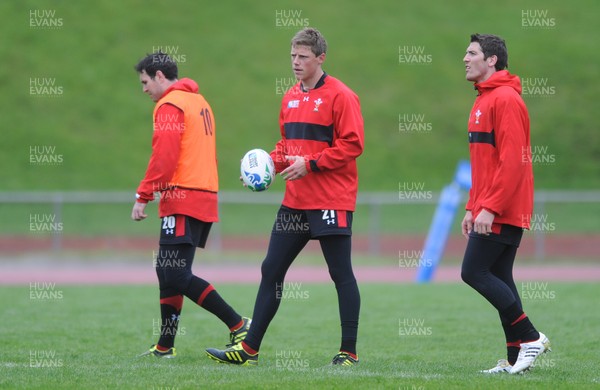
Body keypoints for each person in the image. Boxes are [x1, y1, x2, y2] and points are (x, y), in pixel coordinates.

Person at [205, 27, 364, 366]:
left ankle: (348, 351)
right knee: (271, 268)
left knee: (341, 274)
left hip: (331, 200)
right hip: (295, 202)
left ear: (320, 58)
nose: (296, 62)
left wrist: (312, 164)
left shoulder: (341, 96)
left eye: (303, 56)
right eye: (293, 55)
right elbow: (286, 145)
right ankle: (248, 350)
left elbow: (352, 145)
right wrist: (265, 167)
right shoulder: (290, 96)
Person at [131, 52, 250, 358]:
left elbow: (164, 157)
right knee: (167, 271)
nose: (144, 89)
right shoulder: (199, 101)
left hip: (184, 195)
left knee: (177, 274)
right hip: (202, 194)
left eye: (145, 81)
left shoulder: (170, 104)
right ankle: (164, 347)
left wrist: (143, 195)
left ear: (159, 76)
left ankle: (238, 323)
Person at [460, 33, 550, 374]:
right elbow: (483, 163)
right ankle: (515, 358)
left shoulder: (506, 99)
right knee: (498, 274)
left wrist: (491, 206)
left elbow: (513, 161)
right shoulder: (484, 99)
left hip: (504, 206)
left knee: (473, 271)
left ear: (492, 60)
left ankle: (530, 337)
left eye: (472, 53)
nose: (465, 59)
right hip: (489, 205)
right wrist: (473, 206)